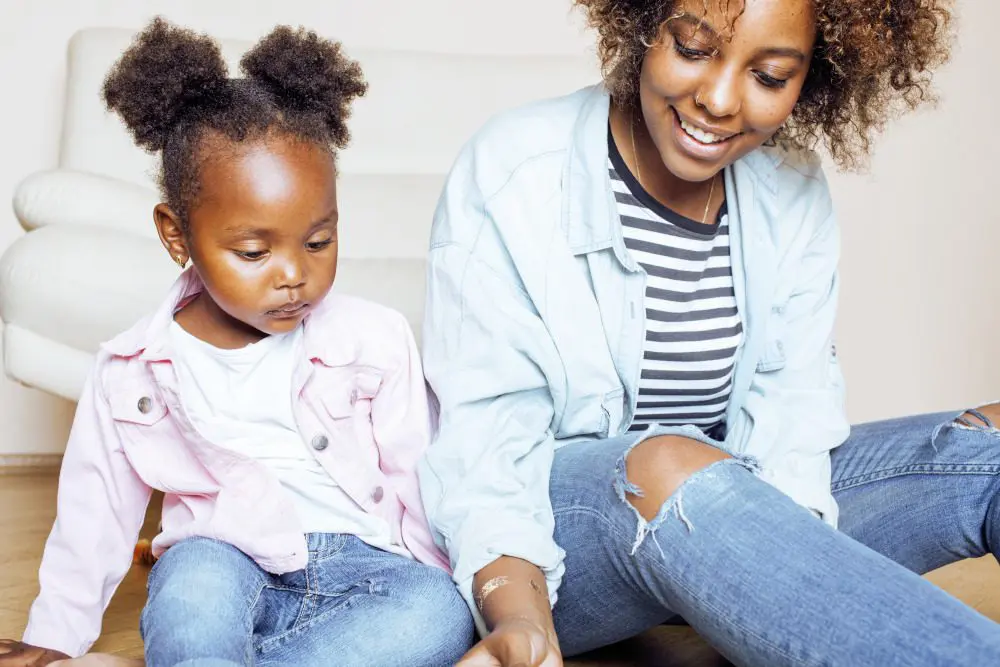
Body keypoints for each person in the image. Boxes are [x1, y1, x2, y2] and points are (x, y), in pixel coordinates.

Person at [419, 0, 1000, 665]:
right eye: (693, 49)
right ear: (641, 25)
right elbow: (487, 445)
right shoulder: (516, 168)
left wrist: (759, 591)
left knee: (989, 448)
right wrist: (518, 618)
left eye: (771, 75)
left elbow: (791, 416)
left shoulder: (792, 186)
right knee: (668, 462)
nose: (720, 100)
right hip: (548, 551)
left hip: (737, 517)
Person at [0, 18, 473, 667]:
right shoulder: (132, 371)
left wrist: (455, 578)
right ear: (177, 235)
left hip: (361, 559)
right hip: (221, 554)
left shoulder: (376, 338)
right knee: (190, 591)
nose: (293, 273)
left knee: (437, 613)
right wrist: (55, 637)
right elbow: (94, 516)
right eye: (254, 250)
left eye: (319, 240)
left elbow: (420, 476)